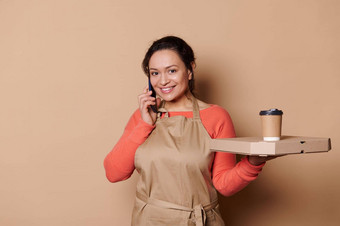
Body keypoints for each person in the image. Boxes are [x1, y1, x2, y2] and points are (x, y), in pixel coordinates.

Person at [104, 36, 270, 226]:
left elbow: (224, 184)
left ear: (189, 70)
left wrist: (254, 162)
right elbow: (114, 173)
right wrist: (145, 124)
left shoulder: (216, 117)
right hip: (149, 220)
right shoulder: (143, 116)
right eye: (155, 73)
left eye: (172, 71)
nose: (163, 81)